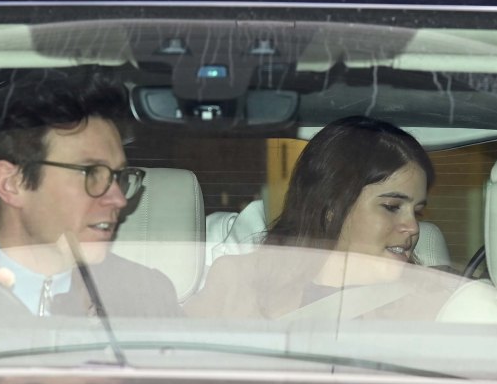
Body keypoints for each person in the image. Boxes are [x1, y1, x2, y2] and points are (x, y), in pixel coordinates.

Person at [0, 70, 180, 318]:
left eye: (119, 176)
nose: (119, 199)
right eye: (91, 173)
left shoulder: (146, 298)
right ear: (12, 183)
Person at [184, 117, 460, 320]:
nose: (412, 227)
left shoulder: (435, 301)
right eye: (391, 206)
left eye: (418, 211)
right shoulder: (240, 281)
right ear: (332, 207)